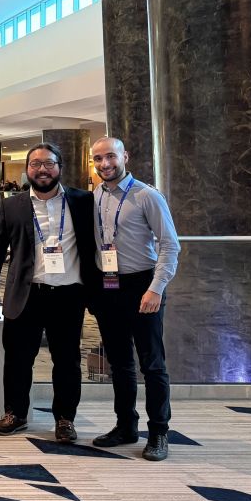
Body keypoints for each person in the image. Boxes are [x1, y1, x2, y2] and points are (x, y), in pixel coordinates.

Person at [0, 142, 98, 443]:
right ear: (26, 169)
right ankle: (15, 414)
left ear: (59, 167)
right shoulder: (12, 205)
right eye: (35, 164)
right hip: (25, 294)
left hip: (69, 295)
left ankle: (65, 419)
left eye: (48, 163)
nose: (42, 169)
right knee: (18, 359)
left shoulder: (83, 201)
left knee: (67, 360)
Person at [89, 136, 180, 461]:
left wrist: (156, 288)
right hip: (109, 286)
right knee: (120, 363)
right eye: (98, 159)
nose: (105, 164)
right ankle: (126, 425)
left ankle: (158, 433)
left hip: (143, 285)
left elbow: (170, 245)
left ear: (124, 156)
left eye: (110, 157)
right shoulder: (97, 194)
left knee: (152, 364)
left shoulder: (147, 195)